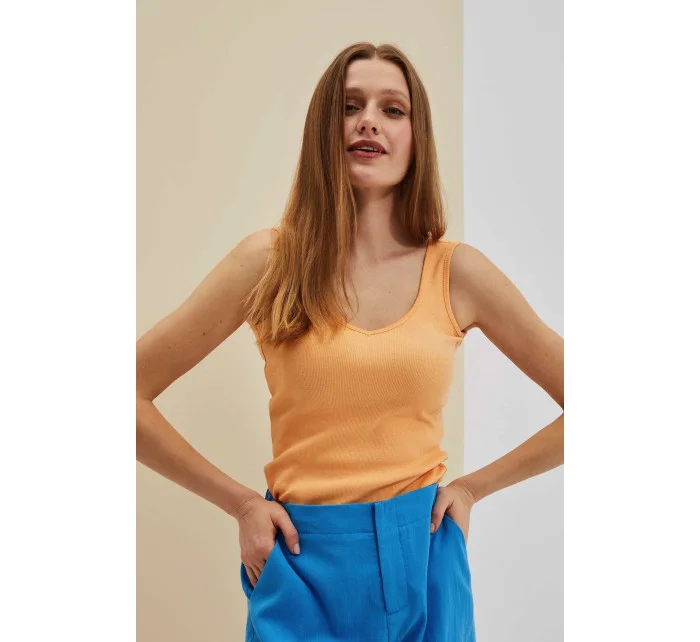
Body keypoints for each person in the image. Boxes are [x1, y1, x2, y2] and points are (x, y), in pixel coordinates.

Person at [136, 41, 564, 641]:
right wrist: (242, 504)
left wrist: (472, 488)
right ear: (323, 128)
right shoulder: (268, 263)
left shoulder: (456, 273)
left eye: (393, 109)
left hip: (423, 555)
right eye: (349, 105)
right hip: (300, 560)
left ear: (417, 137)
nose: (369, 121)